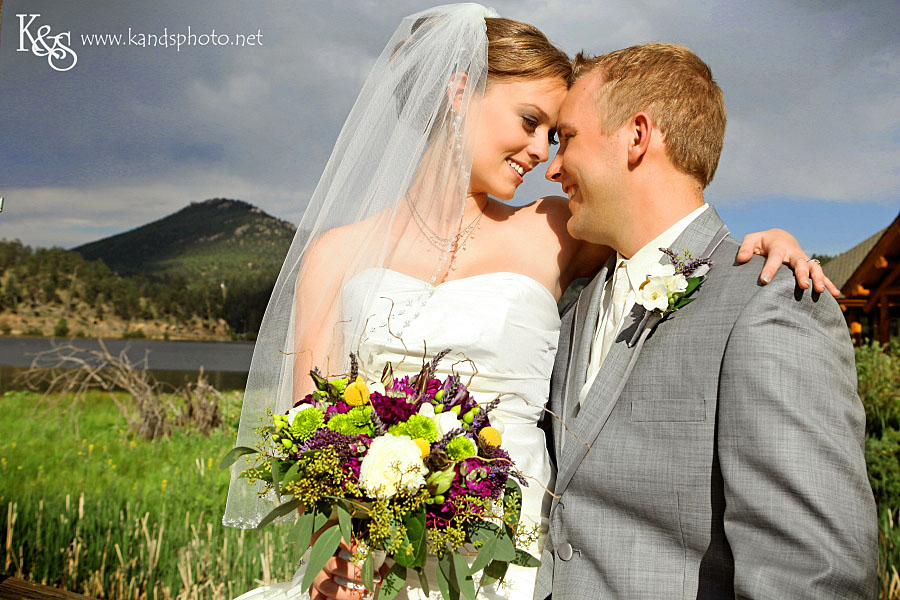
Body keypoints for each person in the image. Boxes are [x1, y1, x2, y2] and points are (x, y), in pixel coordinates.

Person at [223, 6, 838, 599]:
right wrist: (335, 557)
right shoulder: (333, 254)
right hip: (373, 564)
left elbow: (664, 234)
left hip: (511, 562)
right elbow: (308, 439)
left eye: (556, 135)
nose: (543, 152)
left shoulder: (556, 227)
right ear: (458, 91)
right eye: (530, 122)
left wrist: (765, 245)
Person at [534, 43, 877, 599]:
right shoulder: (573, 308)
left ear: (637, 136)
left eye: (567, 138)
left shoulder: (769, 302)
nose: (551, 167)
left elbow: (811, 575)